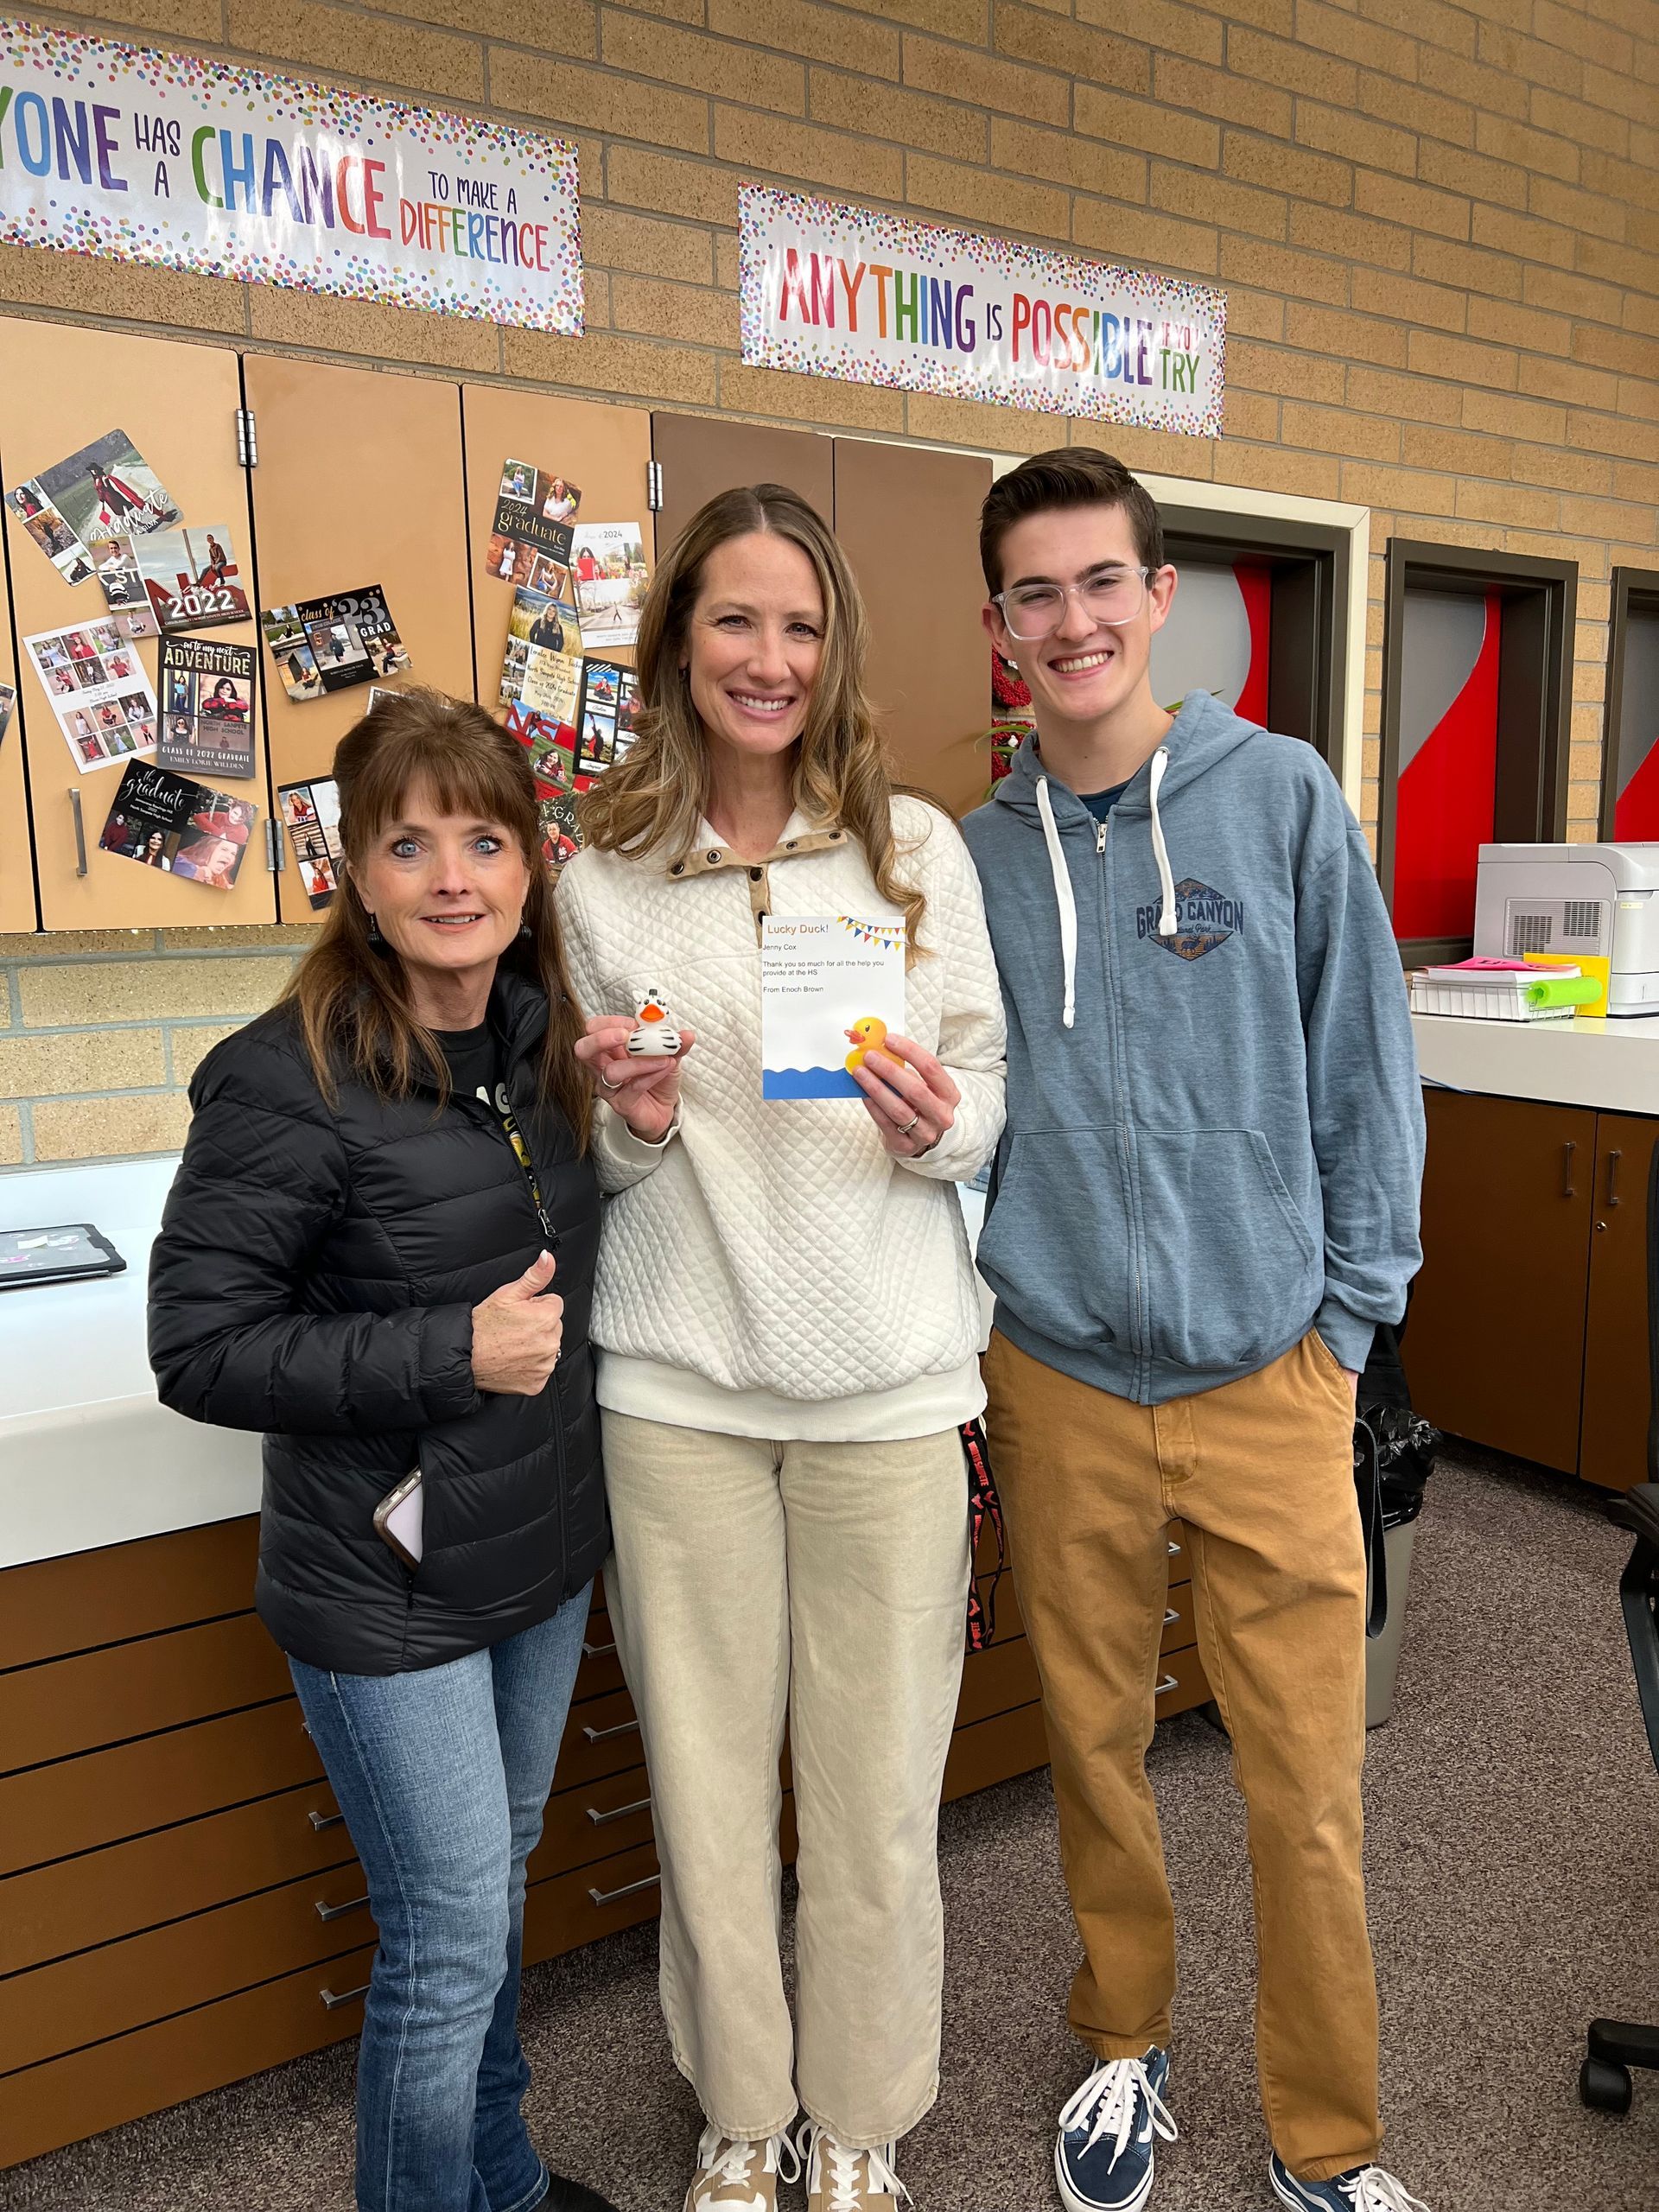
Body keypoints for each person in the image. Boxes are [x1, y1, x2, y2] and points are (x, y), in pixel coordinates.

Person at [959, 448, 1428, 2212]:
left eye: (1100, 582)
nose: (1069, 619)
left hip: (1269, 1373)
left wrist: (1348, 1326)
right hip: (1063, 1366)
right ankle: (1125, 2044)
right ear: (998, 628)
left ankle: (1328, 2136)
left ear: (1162, 599)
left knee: (1306, 1782)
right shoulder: (976, 856)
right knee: (1093, 1749)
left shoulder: (1280, 797)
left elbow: (1367, 1073)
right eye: (1033, 592)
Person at [556, 484, 1007, 2212]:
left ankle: (863, 2116)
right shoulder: (599, 880)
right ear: (678, 640)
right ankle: (744, 2108)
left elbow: (988, 1099)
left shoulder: (913, 852)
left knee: (882, 1797)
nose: (769, 657)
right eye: (736, 620)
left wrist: (940, 1118)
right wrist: (640, 1121)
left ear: (838, 654)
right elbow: (596, 1153)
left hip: (892, 1391)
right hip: (678, 1392)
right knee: (706, 1790)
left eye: (801, 627)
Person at [148, 690, 620, 2212]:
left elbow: (564, 1258)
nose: (452, 877)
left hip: (534, 1554)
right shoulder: (282, 1077)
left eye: (485, 838)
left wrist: (647, 1134)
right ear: (353, 869)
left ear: (532, 864)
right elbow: (201, 1348)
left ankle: (507, 2181)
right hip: (384, 1581)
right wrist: (446, 1352)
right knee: (447, 1936)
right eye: (409, 843)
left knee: (492, 1903)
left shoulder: (538, 1042)